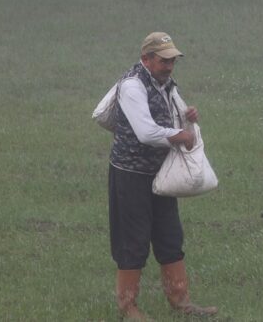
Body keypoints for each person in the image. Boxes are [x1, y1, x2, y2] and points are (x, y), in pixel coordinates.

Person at [107, 31, 217, 319]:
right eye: (163, 60)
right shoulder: (132, 86)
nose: (169, 66)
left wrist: (187, 117)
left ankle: (181, 302)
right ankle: (128, 307)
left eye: (172, 60)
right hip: (130, 175)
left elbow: (172, 117)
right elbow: (146, 132)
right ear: (146, 59)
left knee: (170, 236)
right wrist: (180, 135)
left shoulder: (166, 84)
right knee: (133, 240)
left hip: (161, 173)